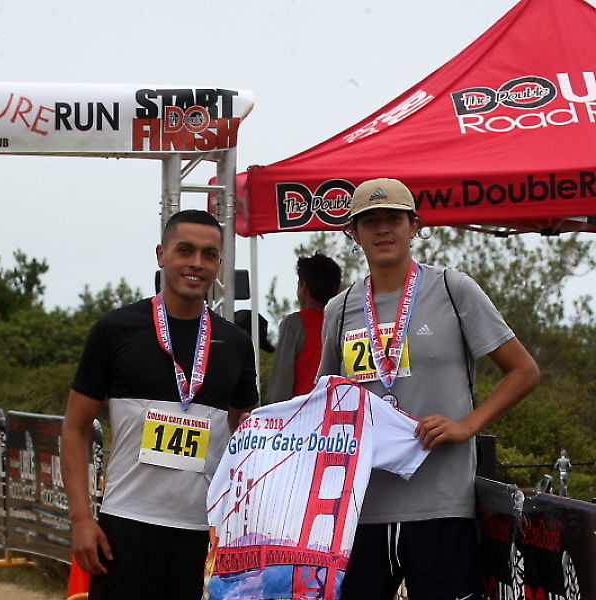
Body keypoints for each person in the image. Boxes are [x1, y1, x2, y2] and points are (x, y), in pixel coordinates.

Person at [317, 178, 540, 600]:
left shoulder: (454, 289)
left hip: (441, 504)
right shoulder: (339, 309)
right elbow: (324, 400)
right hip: (360, 511)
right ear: (353, 234)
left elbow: (524, 371)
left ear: (415, 226)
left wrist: (466, 425)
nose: (383, 229)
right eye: (370, 221)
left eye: (394, 219)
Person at [61, 209, 259, 600]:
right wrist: (81, 519)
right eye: (185, 250)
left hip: (202, 533)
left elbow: (247, 433)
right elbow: (74, 427)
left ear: (219, 263)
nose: (196, 263)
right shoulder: (115, 330)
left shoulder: (236, 343)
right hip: (125, 526)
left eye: (208, 254)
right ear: (161, 254)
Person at [267, 253, 341, 402]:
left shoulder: (294, 323)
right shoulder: (341, 322)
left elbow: (280, 387)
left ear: (303, 286)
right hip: (336, 410)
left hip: (302, 412)